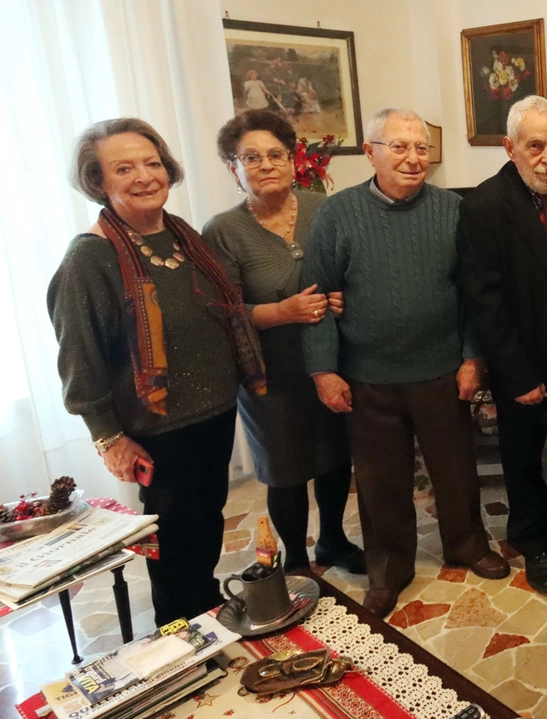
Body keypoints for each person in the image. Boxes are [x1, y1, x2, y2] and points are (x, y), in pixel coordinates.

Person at [48, 118, 267, 624]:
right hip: (156, 426)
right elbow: (78, 359)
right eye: (124, 168)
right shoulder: (89, 258)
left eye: (152, 163)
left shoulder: (183, 237)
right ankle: (180, 626)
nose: (145, 176)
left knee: (206, 518)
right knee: (172, 533)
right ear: (98, 182)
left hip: (212, 408)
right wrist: (108, 438)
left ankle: (205, 602)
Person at [302, 107, 509, 619]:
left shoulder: (453, 209)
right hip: (367, 376)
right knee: (379, 481)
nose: (413, 158)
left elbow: (470, 294)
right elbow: (316, 297)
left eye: (421, 148)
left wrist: (471, 357)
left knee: (456, 469)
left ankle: (466, 543)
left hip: (441, 369)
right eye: (399, 146)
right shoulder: (336, 214)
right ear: (370, 152)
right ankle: (389, 570)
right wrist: (324, 370)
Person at [204, 109, 364, 575]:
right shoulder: (223, 231)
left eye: (276, 154)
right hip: (268, 374)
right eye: (250, 157)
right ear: (233, 167)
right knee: (287, 469)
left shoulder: (324, 208)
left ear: (293, 160)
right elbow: (222, 312)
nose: (266, 164)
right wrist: (282, 312)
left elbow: (351, 271)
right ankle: (295, 559)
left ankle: (333, 541)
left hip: (332, 360)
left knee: (335, 458)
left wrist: (342, 296)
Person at [457, 96, 547, 596]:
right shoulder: (484, 205)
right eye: (535, 146)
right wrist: (515, 373)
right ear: (509, 147)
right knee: (524, 455)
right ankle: (533, 540)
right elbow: (485, 300)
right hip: (526, 354)